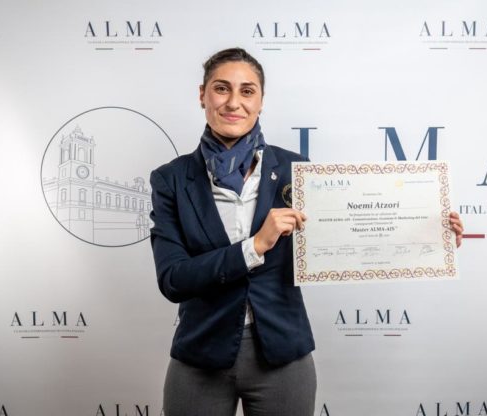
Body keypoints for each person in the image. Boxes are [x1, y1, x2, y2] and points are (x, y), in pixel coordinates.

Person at [149, 47, 465, 416]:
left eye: (247, 91)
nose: (234, 102)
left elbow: (350, 235)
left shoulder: (296, 170)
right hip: (200, 355)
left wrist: (427, 232)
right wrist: (254, 246)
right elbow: (173, 279)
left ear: (261, 101)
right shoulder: (171, 179)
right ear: (202, 94)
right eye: (222, 89)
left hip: (282, 357)